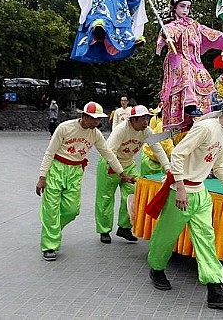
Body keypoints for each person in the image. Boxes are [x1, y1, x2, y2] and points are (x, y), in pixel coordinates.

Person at [145, 94, 223, 309]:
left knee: (206, 240)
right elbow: (177, 154)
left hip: (201, 194)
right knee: (166, 236)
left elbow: (218, 166)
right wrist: (181, 190)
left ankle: (215, 289)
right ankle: (156, 269)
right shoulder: (205, 128)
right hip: (181, 192)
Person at [35, 101, 135, 262]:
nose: (97, 122)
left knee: (72, 210)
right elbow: (49, 153)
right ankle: (49, 246)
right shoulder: (64, 128)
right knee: (51, 208)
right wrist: (42, 177)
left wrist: (122, 173)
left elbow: (108, 153)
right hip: (56, 169)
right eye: (93, 118)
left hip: (76, 172)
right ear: (84, 116)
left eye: (98, 119)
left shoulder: (95, 134)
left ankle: (51, 228)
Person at [157, 0, 223, 128]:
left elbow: (213, 35)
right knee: (186, 73)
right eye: (182, 6)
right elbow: (168, 32)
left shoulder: (194, 26)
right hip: (178, 59)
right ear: (174, 7)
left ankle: (202, 112)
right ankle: (188, 105)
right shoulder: (172, 25)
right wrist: (167, 36)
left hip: (194, 61)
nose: (185, 10)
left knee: (203, 77)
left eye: (188, 7)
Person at [95, 105, 169, 244]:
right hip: (110, 163)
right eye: (142, 119)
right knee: (105, 198)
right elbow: (110, 153)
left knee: (133, 194)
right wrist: (121, 173)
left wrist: (168, 169)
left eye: (147, 118)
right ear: (133, 120)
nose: (146, 122)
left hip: (128, 164)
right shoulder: (121, 130)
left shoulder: (146, 131)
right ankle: (104, 230)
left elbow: (158, 149)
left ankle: (124, 227)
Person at [140, 104, 175, 176]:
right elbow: (167, 147)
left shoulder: (183, 127)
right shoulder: (163, 125)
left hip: (163, 159)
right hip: (151, 157)